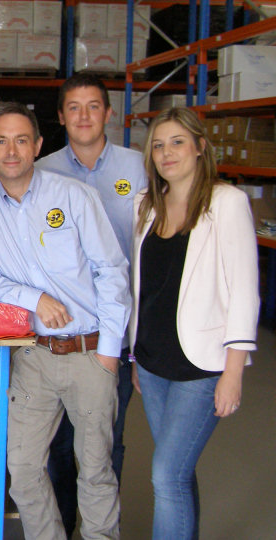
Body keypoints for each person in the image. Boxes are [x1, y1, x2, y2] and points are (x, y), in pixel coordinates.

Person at [0, 101, 130, 539]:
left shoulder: (73, 197)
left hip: (88, 352)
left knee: (94, 470)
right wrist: (33, 298)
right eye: (1, 140)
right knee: (21, 464)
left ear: (37, 146)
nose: (11, 150)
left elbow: (111, 271)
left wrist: (109, 353)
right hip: (33, 357)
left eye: (21, 140)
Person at [130, 107, 259, 539]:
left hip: (201, 367)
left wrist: (233, 372)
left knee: (166, 474)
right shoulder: (146, 206)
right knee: (177, 474)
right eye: (159, 145)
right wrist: (135, 356)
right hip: (151, 363)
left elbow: (244, 290)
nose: (167, 153)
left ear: (201, 147)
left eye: (178, 142)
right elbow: (144, 288)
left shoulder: (226, 203)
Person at [36, 73, 146, 536]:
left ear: (108, 112)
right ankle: (64, 524)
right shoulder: (42, 172)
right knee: (60, 445)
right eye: (74, 108)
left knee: (106, 442)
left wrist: (136, 343)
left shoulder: (139, 168)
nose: (84, 116)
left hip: (114, 330)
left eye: (94, 106)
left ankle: (100, 529)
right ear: (61, 117)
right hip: (62, 331)